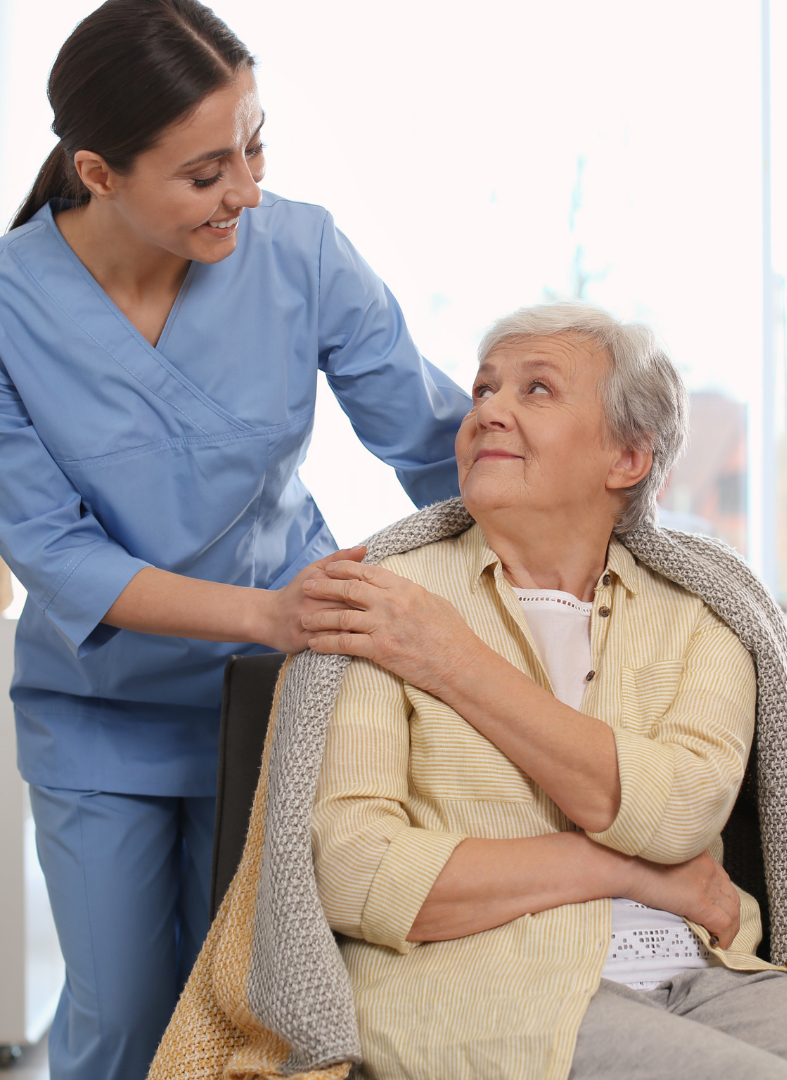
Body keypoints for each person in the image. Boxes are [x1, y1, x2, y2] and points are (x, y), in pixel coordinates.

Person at [298, 304, 787, 1080]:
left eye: (537, 389)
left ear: (626, 457)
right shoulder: (389, 602)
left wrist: (454, 659)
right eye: (484, 388)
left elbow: (681, 813)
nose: (487, 408)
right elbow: (355, 872)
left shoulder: (706, 610)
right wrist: (628, 873)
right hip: (483, 981)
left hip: (704, 972)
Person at [0, 2, 469, 1077]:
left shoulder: (298, 250)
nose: (247, 192)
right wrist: (267, 610)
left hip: (277, 703)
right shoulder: (9, 306)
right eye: (207, 172)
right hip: (99, 714)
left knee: (259, 1018)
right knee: (122, 1021)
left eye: (256, 146)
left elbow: (430, 439)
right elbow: (52, 550)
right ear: (100, 172)